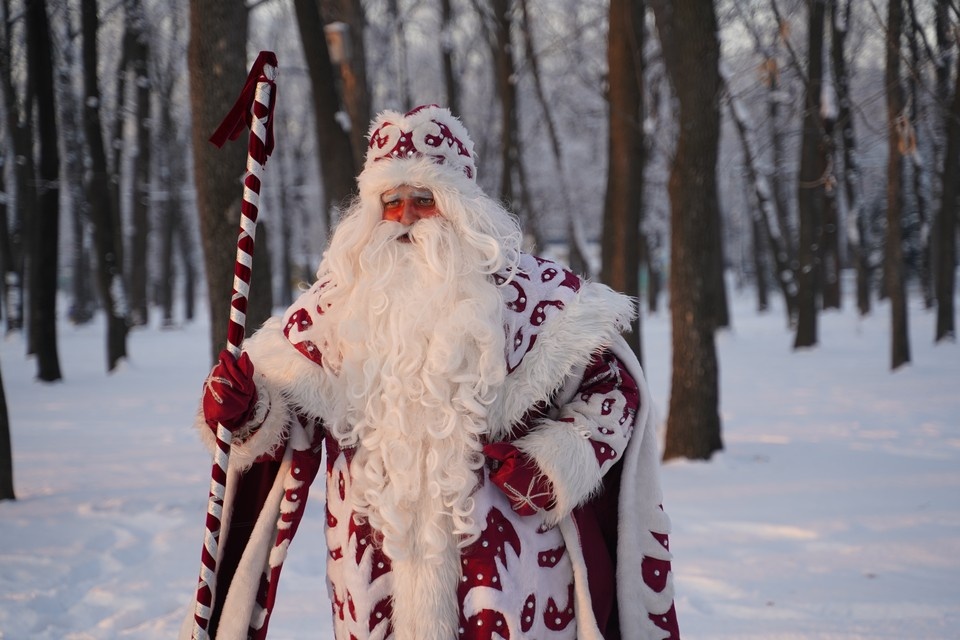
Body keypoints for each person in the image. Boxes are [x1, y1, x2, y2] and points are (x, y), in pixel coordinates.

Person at [181, 105, 680, 640]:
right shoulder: (333, 311)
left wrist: (555, 463)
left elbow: (615, 393)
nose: (405, 219)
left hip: (514, 577)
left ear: (461, 207)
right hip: (371, 578)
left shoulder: (538, 298)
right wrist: (247, 411)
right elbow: (284, 416)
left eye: (424, 200)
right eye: (390, 203)